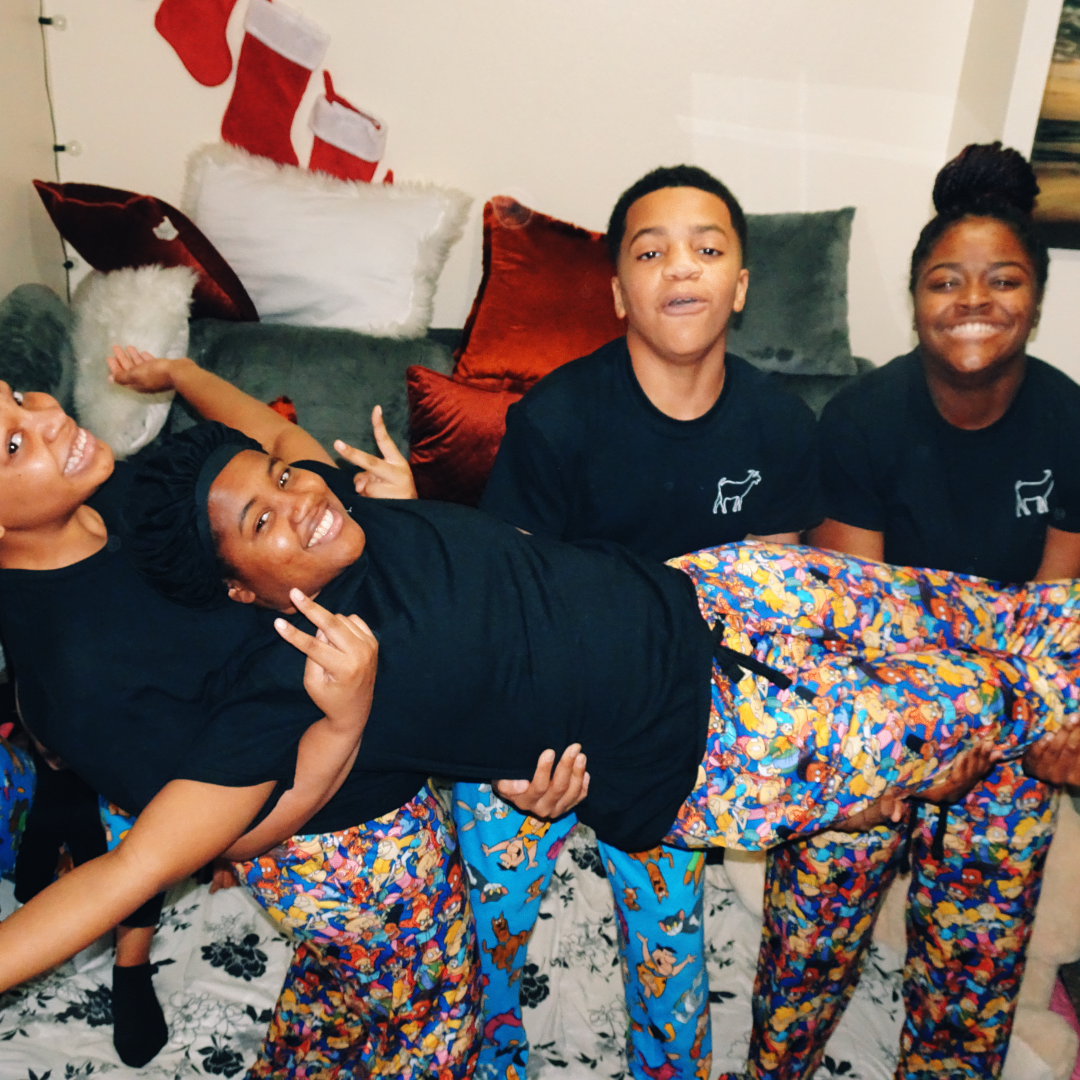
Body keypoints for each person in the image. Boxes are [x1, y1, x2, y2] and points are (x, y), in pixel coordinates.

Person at [0, 352, 563, 1078]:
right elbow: (216, 844)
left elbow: (279, 450)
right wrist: (343, 724)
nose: (49, 420)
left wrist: (181, 374)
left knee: (337, 1002)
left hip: (372, 788)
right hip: (347, 850)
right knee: (434, 1029)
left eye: (18, 398)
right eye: (12, 445)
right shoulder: (72, 671)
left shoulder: (116, 493)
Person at [464, 163, 820, 1080]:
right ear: (619, 291)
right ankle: (489, 1051)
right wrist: (512, 765)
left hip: (674, 714)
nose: (681, 269)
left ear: (739, 285)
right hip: (549, 706)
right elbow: (504, 603)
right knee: (485, 900)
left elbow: (772, 609)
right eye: (651, 251)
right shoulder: (557, 417)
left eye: (707, 249)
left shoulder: (780, 426)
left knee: (669, 934)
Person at [739, 142, 1080, 1080]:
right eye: (946, 281)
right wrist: (920, 748)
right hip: (880, 703)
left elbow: (1055, 615)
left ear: (1037, 299)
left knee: (977, 961)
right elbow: (857, 623)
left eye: (1002, 280)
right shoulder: (860, 419)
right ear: (916, 298)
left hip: (1003, 706)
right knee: (816, 917)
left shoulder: (1071, 421)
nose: (973, 300)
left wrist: (1052, 735)